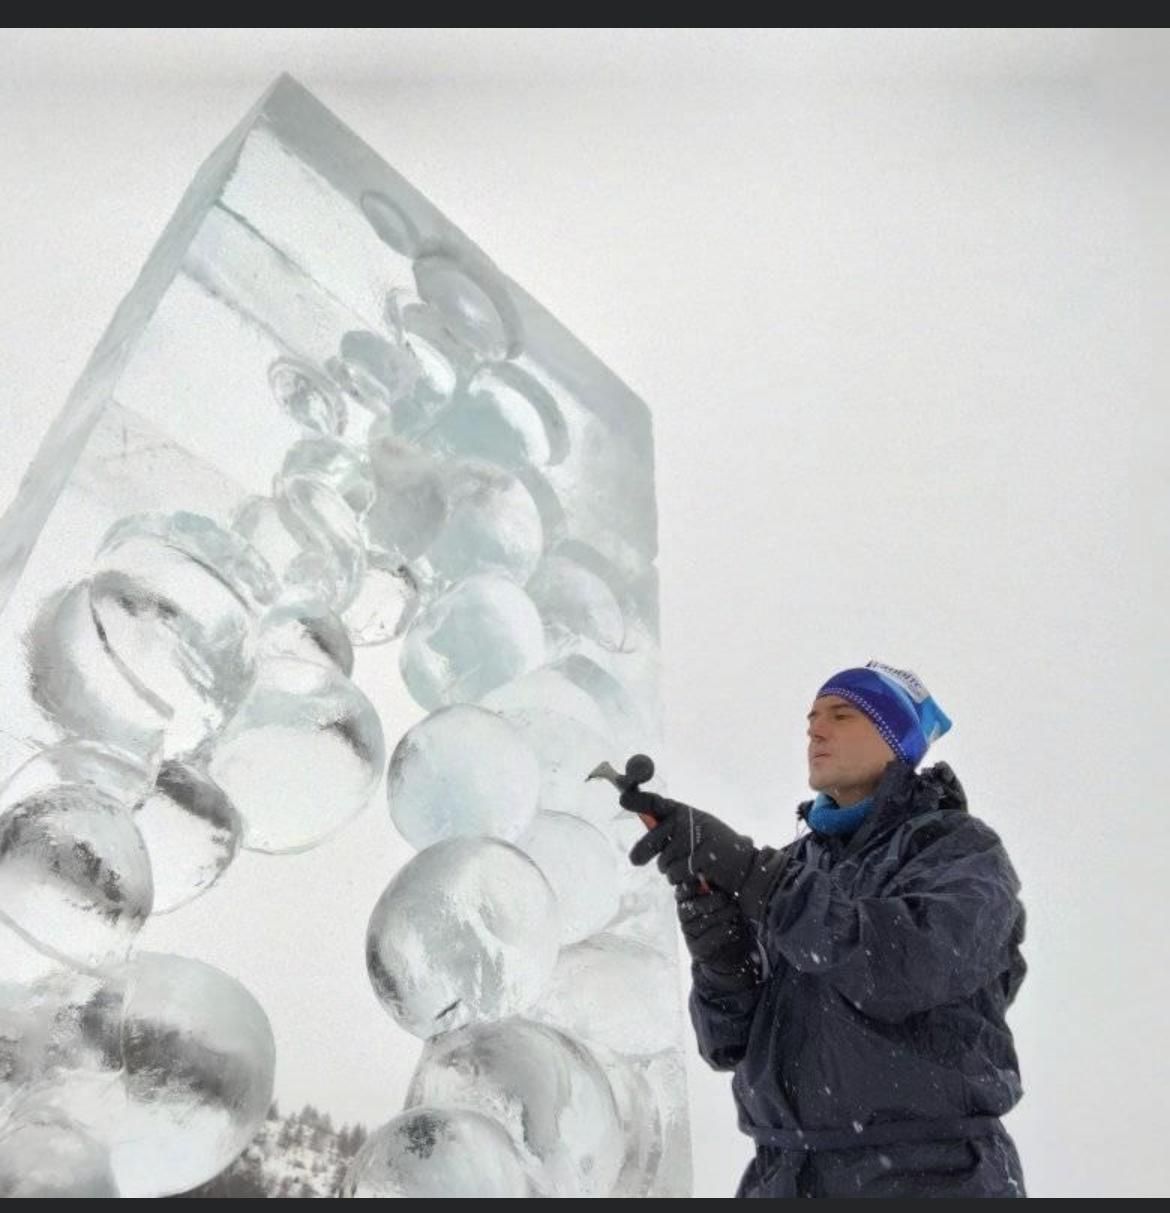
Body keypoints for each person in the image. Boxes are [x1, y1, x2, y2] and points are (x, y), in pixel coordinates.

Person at [621, 660, 1027, 1199]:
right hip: (783, 1175)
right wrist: (722, 958)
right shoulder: (797, 867)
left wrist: (751, 873)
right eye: (811, 717)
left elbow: (905, 965)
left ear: (896, 740)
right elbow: (725, 1045)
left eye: (841, 714)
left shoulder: (959, 851)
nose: (816, 728)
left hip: (929, 1174)